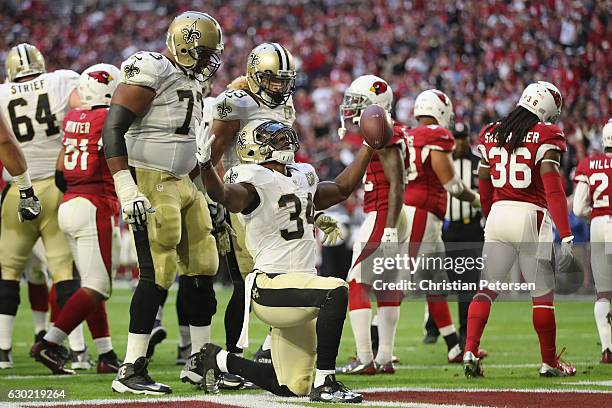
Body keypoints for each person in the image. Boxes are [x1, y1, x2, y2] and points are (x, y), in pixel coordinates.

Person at [193, 118, 372, 403]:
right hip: (270, 285)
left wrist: (368, 146)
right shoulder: (254, 180)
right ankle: (326, 382)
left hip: (299, 288)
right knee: (336, 290)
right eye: (273, 139)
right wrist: (205, 167)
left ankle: (218, 359)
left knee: (290, 385)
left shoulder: (301, 175)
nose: (283, 142)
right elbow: (227, 196)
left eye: (283, 137)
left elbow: (340, 189)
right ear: (253, 149)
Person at [102, 11, 223, 394]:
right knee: (158, 271)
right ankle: (131, 368)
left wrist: (205, 187)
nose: (207, 61)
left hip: (186, 184)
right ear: (183, 46)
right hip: (150, 181)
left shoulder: (188, 78)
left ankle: (200, 363)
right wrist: (125, 184)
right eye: (202, 53)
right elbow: (113, 127)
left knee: (204, 266)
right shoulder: (151, 66)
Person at [465, 81, 576, 378]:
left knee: (485, 290)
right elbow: (553, 188)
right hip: (531, 216)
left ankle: (470, 351)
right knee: (542, 296)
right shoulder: (546, 134)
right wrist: (566, 234)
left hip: (499, 214)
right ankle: (549, 362)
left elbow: (484, 184)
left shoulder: (491, 132)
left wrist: (489, 216)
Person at [209, 42, 298, 365]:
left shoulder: (287, 107)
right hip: (244, 199)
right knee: (246, 281)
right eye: (273, 79)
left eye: (285, 80)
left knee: (285, 274)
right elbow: (212, 156)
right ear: (255, 75)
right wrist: (217, 200)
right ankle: (232, 355)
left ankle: (271, 345)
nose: (280, 87)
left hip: (276, 200)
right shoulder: (237, 103)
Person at [31, 63, 123, 374]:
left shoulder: (72, 118)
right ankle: (51, 342)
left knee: (90, 285)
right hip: (92, 204)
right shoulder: (109, 118)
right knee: (98, 286)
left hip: (69, 201)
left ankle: (106, 354)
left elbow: (60, 173)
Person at [0, 43, 79, 369]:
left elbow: (4, 142)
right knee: (62, 270)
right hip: (59, 187)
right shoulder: (61, 80)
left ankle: (2, 350)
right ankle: (73, 347)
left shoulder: (3, 93)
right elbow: (82, 112)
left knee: (7, 270)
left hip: (20, 188)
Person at [336, 75, 409, 375]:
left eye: (357, 101)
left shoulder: (382, 128)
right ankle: (384, 358)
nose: (351, 108)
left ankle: (366, 357)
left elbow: (397, 182)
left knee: (357, 283)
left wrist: (389, 227)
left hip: (383, 214)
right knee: (387, 287)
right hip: (389, 215)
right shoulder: (388, 128)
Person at [403, 90, 481, 363]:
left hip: (418, 213)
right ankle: (375, 348)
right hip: (422, 214)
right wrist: (476, 199)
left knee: (434, 284)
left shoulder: (407, 134)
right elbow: (452, 184)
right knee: (399, 281)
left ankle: (453, 346)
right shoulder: (434, 135)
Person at [423, 122, 484, 349]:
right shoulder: (442, 160)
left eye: (462, 137)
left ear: (468, 138)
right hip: (446, 229)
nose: (459, 142)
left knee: (467, 284)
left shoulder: (477, 164)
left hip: (470, 228)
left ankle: (465, 334)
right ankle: (433, 327)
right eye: (455, 137)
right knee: (437, 279)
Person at [573, 118, 612, 364]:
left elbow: (578, 208)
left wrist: (596, 215)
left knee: (603, 293)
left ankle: (607, 349)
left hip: (598, 224)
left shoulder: (589, 164)